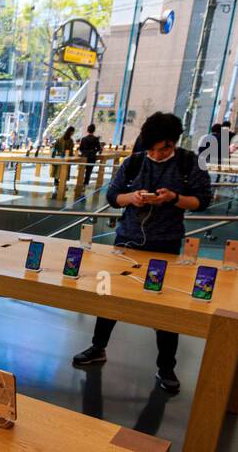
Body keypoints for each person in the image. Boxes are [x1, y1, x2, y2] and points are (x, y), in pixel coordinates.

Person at [72, 111, 212, 393]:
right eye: (151, 149)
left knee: (165, 309)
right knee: (110, 297)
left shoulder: (189, 163)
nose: (157, 155)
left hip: (166, 245)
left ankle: (166, 366)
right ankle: (98, 347)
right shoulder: (134, 162)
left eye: (163, 149)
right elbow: (113, 197)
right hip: (127, 241)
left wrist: (173, 198)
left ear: (173, 143)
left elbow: (202, 201)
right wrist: (132, 199)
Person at [51, 126, 75, 196]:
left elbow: (54, 147)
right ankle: (62, 186)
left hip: (58, 158)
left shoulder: (60, 139)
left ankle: (56, 186)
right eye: (73, 132)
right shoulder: (70, 140)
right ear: (71, 132)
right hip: (66, 159)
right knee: (64, 172)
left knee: (56, 172)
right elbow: (70, 151)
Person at [78, 123, 102, 187]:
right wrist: (94, 151)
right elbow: (99, 148)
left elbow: (80, 148)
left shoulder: (83, 139)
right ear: (94, 130)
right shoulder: (96, 139)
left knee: (82, 170)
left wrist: (84, 152)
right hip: (92, 157)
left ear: (87, 130)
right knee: (89, 171)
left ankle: (79, 183)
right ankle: (85, 183)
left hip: (84, 156)